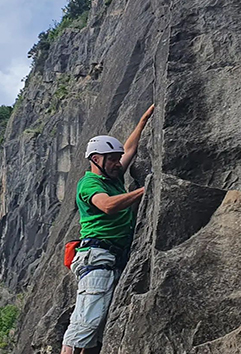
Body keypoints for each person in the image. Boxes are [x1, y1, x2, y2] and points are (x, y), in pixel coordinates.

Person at [61, 104, 155, 354]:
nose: (117, 163)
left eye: (116, 159)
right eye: (111, 159)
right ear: (96, 160)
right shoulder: (90, 183)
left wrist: (143, 122)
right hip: (98, 256)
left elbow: (130, 150)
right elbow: (108, 206)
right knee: (87, 321)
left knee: (97, 325)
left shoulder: (112, 177)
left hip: (110, 257)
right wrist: (145, 189)